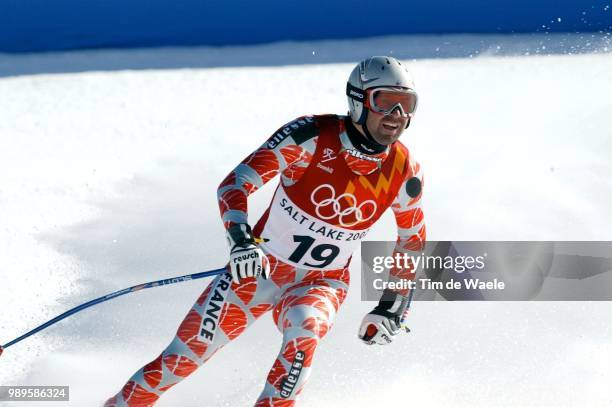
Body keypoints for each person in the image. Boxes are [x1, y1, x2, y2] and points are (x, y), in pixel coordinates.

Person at [104, 56, 426, 407]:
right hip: (256, 273)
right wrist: (241, 240)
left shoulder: (404, 170)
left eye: (407, 104)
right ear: (357, 100)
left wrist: (392, 307)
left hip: (322, 283)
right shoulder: (310, 137)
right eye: (384, 101)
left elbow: (412, 240)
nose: (396, 114)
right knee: (176, 364)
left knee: (305, 332)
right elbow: (235, 184)